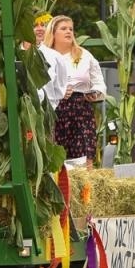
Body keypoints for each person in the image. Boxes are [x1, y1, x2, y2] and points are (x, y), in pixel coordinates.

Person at [45, 14, 105, 163]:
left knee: (85, 154)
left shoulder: (84, 55)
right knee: (57, 158)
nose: (68, 32)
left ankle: (86, 177)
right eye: (63, 28)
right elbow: (37, 85)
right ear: (53, 33)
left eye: (71, 29)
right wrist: (58, 92)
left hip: (81, 109)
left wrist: (95, 92)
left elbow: (98, 80)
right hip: (55, 111)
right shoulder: (44, 56)